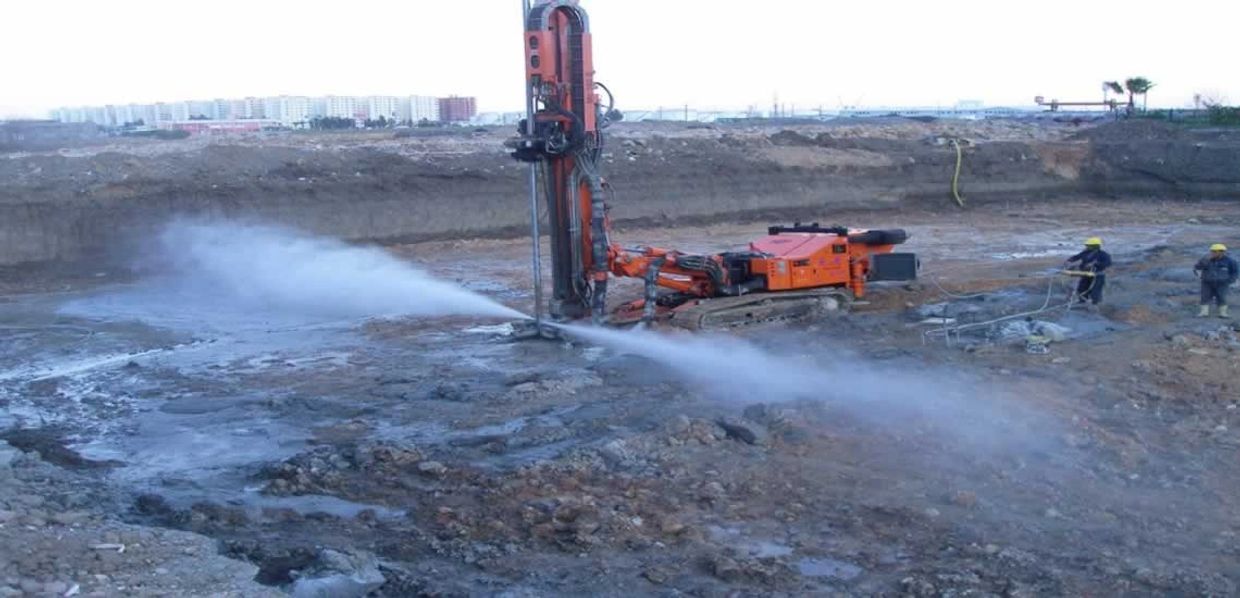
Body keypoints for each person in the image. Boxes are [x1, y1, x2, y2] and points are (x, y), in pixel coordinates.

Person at [1063, 237, 1111, 306]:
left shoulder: (1104, 255)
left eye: (1089, 246)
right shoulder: (1085, 253)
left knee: (1095, 291)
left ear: (1095, 246)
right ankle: (1082, 301)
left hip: (1097, 276)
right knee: (1081, 288)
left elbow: (1108, 263)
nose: (1087, 247)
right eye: (1087, 245)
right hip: (1086, 274)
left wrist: (1095, 264)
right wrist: (1069, 260)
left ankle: (1095, 304)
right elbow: (1077, 257)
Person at [1194, 243, 1238, 318]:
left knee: (1222, 297)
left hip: (1222, 283)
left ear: (1221, 252)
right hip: (1207, 282)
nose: (1212, 253)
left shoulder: (1230, 261)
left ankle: (1222, 313)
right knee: (1205, 297)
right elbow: (1197, 268)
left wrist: (1230, 280)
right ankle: (1204, 313)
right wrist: (1203, 263)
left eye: (1215, 251)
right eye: (1212, 251)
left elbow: (1234, 272)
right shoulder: (1206, 259)